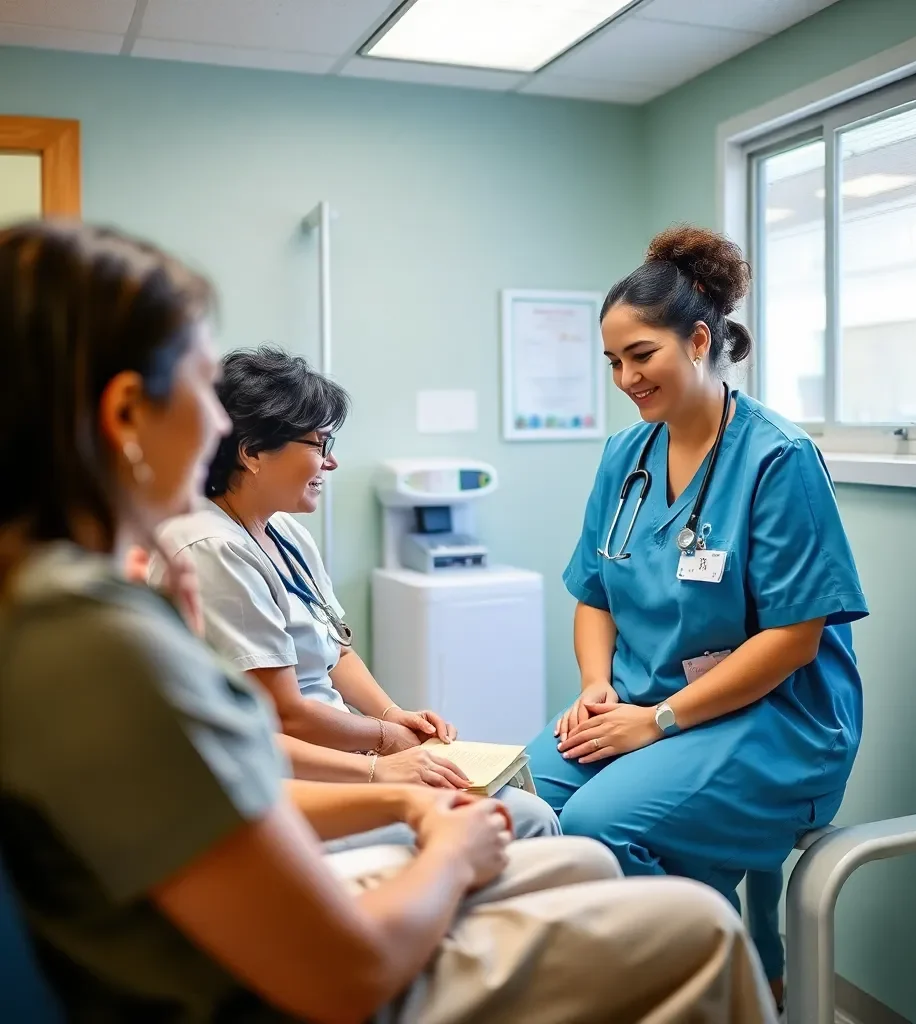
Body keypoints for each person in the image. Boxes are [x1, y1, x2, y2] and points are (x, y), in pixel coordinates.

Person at [0, 220, 779, 1024]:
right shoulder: (92, 638)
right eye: (202, 390)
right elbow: (345, 971)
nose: (217, 428)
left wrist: (404, 793)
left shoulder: (71, 602)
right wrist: (434, 841)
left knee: (576, 856)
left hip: (257, 924)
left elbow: (234, 777)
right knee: (698, 925)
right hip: (277, 983)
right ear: (127, 413)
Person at [525, 224, 869, 1006]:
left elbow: (793, 640)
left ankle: (708, 991)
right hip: (645, 704)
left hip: (780, 722)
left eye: (640, 355)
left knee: (601, 826)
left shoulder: (777, 457)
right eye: (612, 361)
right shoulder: (626, 457)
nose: (624, 377)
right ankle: (617, 983)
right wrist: (593, 687)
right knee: (521, 801)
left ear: (700, 339)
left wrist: (658, 723)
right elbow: (594, 593)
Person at [152, 345, 557, 842]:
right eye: (319, 444)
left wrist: (392, 715)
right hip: (282, 778)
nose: (332, 461)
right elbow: (286, 714)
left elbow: (336, 650)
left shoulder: (284, 533)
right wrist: (388, 746)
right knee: (521, 818)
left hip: (339, 752)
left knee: (519, 804)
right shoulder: (212, 548)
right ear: (252, 451)